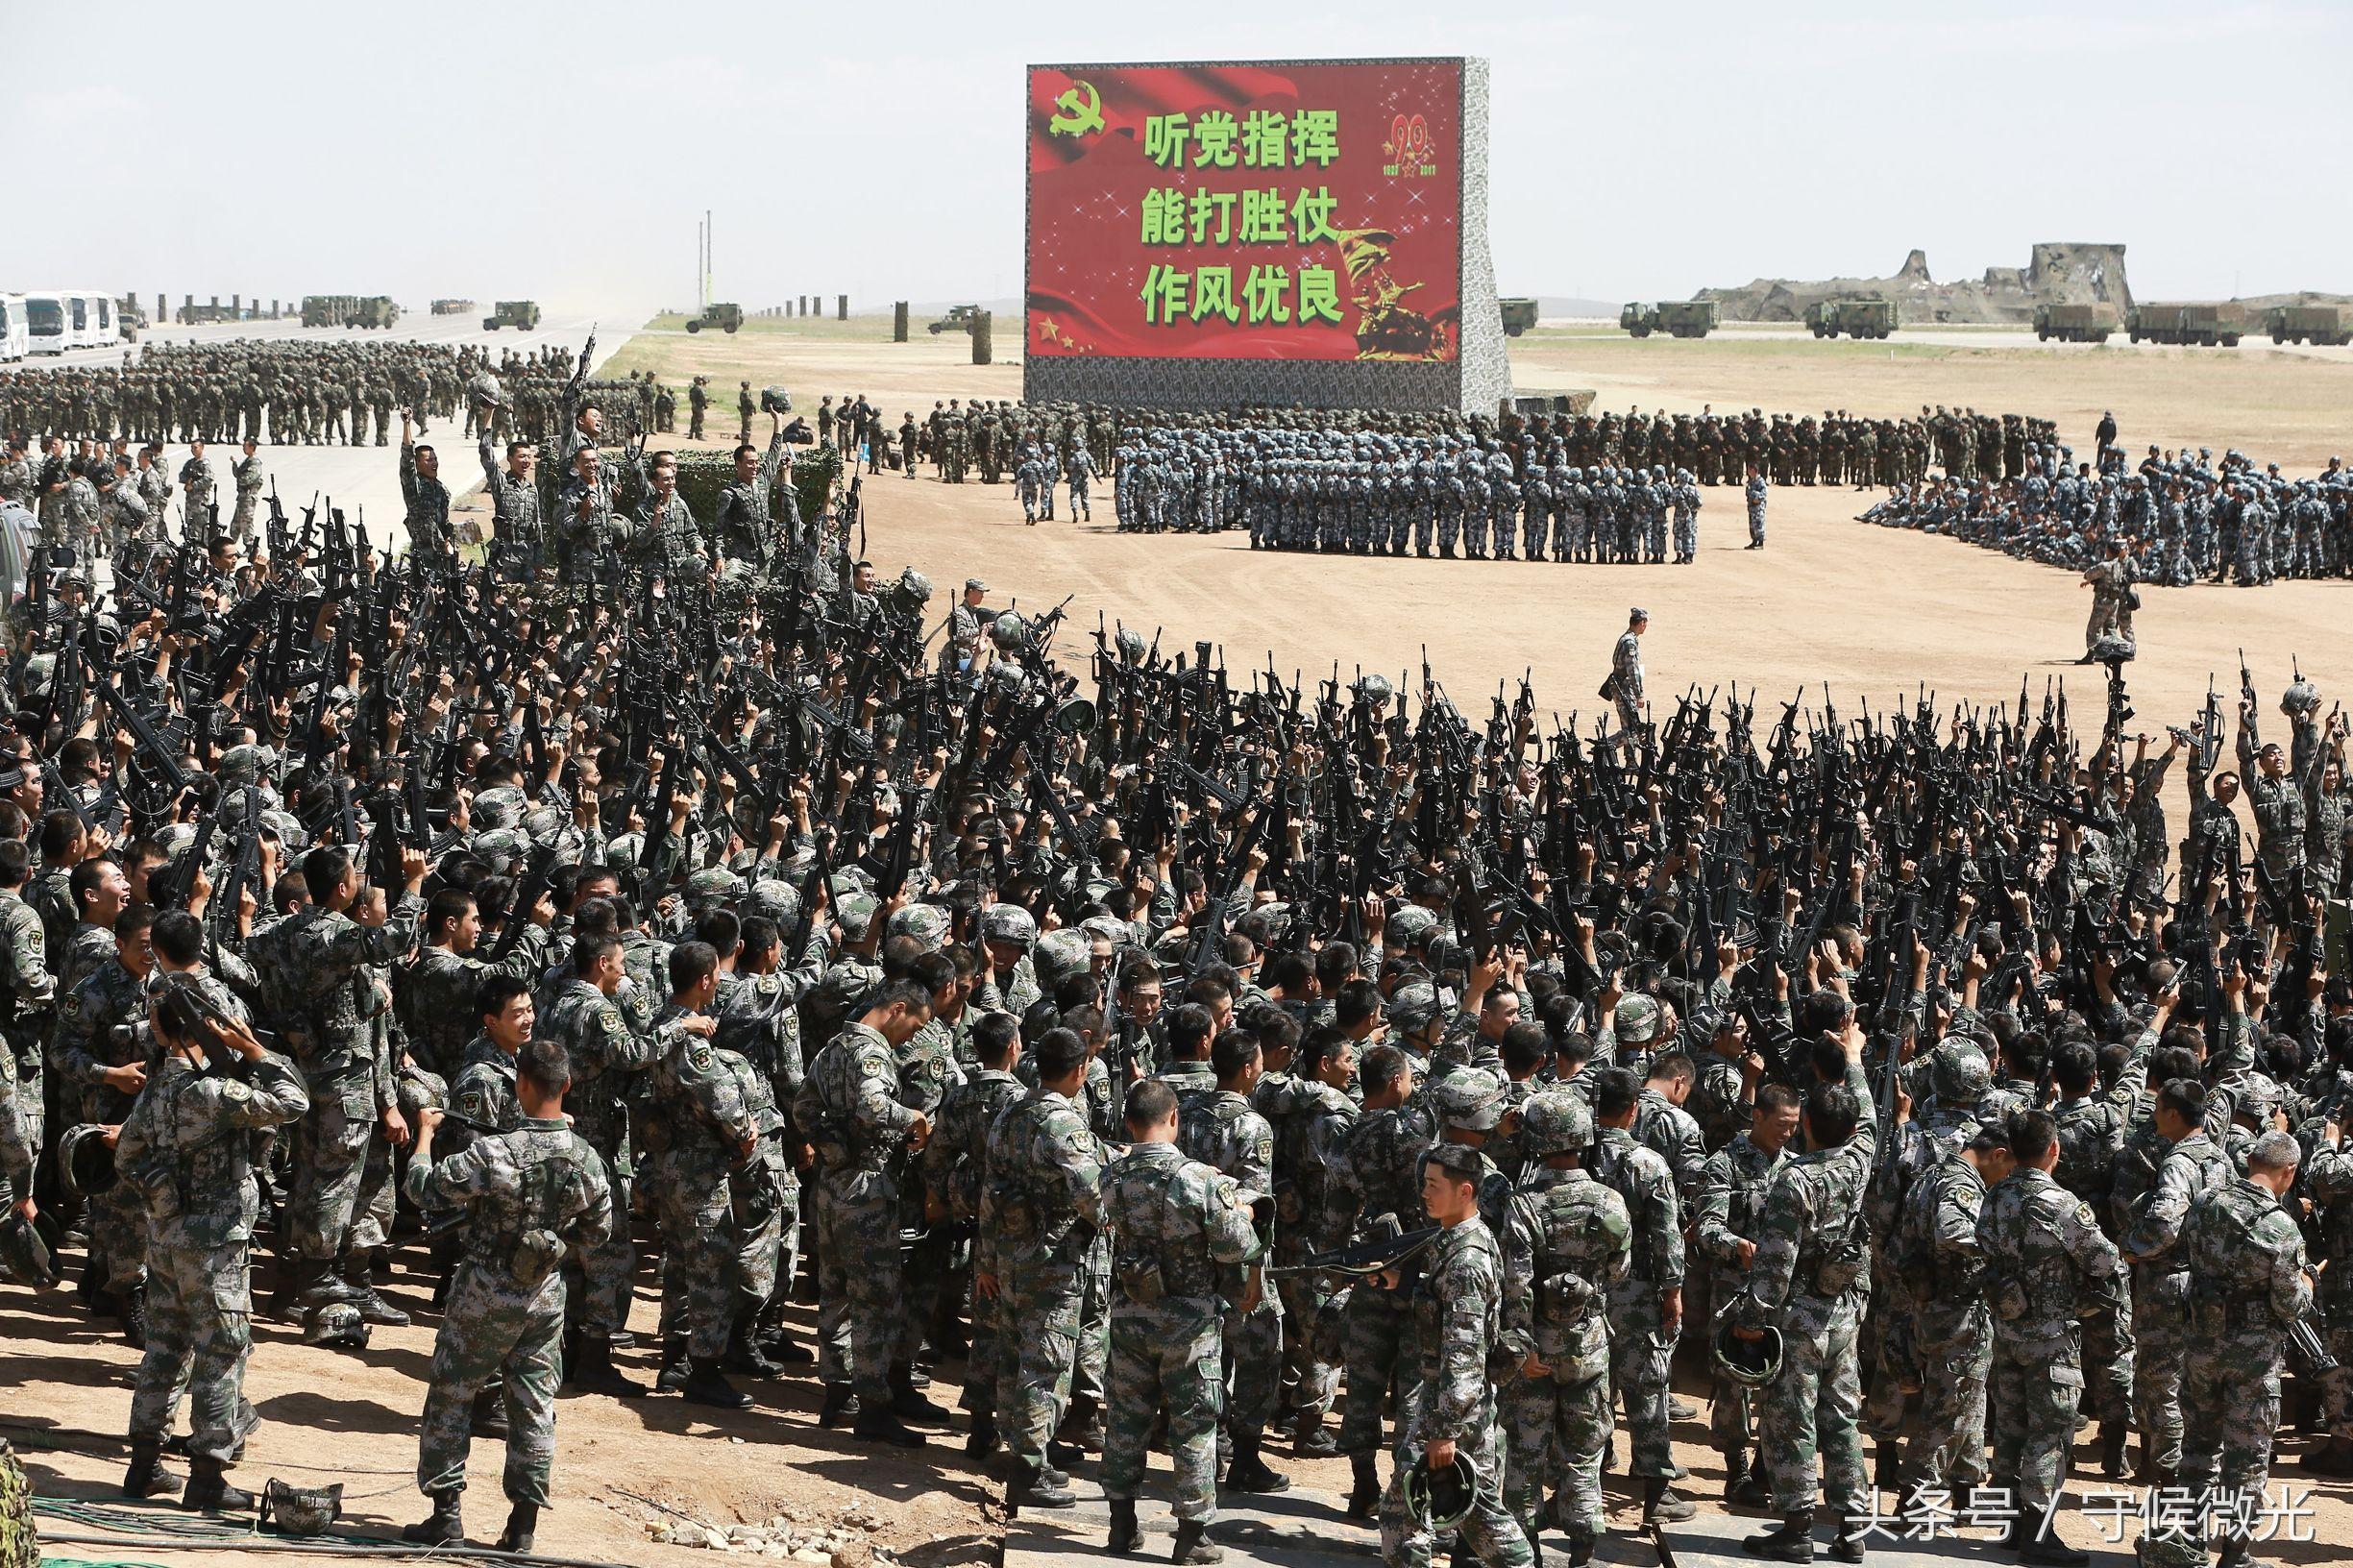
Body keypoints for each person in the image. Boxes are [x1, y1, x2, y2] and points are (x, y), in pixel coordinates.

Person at [401, 1037, 610, 1556]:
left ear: (519, 1085)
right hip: (544, 1296)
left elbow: (424, 1190)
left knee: (453, 1392)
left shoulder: (496, 1152)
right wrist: (552, 1245)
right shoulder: (586, 1158)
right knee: (534, 1405)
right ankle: (522, 1527)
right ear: (567, 1085)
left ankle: (445, 1514)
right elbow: (599, 1231)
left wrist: (424, 1137)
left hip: (484, 1293)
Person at [116, 978, 310, 1511]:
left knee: (163, 1349)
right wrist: (256, 1051)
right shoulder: (214, 1094)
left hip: (167, 1243)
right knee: (221, 1352)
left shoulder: (156, 1091)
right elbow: (294, 1102)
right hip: (217, 1247)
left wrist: (164, 1201)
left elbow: (127, 1154)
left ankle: (144, 1465)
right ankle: (207, 1476)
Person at [1100, 1078, 1263, 1565]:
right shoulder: (1199, 1179)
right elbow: (1237, 1246)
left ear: (1130, 1123)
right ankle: (1192, 1536)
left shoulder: (1112, 1175)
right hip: (1189, 1326)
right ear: (1174, 1119)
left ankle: (1121, 1525)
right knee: (1194, 1426)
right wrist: (1246, 1209)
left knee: (1125, 1420)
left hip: (1129, 1317)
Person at [1732, 1083, 1873, 1564]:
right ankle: (1853, 1530)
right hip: (1844, 1312)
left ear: (1806, 1125)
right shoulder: (1858, 1161)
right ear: (1852, 1130)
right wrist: (1854, 1060)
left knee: (1791, 1421)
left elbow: (1775, 1265)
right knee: (1841, 1419)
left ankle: (1795, 1529)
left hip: (1799, 1320)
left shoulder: (1797, 1180)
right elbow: (1870, 1124)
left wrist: (1751, 1321)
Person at [1377, 1142, 1534, 1568]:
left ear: (1464, 1191)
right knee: (1443, 1513)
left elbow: (1463, 1352)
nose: (1424, 1193)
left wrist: (1444, 1430)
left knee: (1420, 1515)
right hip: (1454, 1402)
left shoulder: (1466, 1259)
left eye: (1433, 1185)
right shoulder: (1461, 1238)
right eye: (1424, 1184)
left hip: (1453, 1409)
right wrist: (1404, 1283)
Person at [1978, 1110, 2124, 1566]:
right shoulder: (2061, 1204)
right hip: (2052, 1338)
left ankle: (2011, 1524)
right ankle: (2039, 1534)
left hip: (2007, 1331)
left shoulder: (1993, 1197)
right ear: (2054, 1150)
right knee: (2050, 1433)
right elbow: (2104, 1262)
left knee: (2009, 1427)